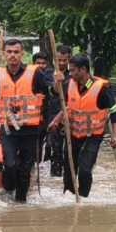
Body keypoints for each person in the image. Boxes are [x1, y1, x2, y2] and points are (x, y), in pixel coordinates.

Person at [0, 39, 56, 203]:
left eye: (16, 52)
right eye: (9, 52)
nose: (13, 55)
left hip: (31, 130)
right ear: (4, 54)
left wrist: (44, 127)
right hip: (9, 129)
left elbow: (45, 101)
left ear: (22, 54)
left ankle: (20, 203)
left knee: (25, 169)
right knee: (10, 165)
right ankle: (9, 187)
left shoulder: (36, 74)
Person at [48, 53, 116, 198]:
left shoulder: (102, 88)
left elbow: (115, 113)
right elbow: (61, 99)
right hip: (73, 134)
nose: (71, 72)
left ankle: (83, 199)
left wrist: (115, 137)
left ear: (83, 70)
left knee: (85, 170)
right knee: (69, 171)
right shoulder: (69, 83)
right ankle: (68, 199)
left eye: (73, 70)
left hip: (93, 136)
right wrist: (56, 120)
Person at [47, 43, 72, 177]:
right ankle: (55, 177)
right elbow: (53, 91)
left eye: (64, 60)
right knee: (53, 148)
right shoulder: (47, 73)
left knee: (70, 150)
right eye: (59, 60)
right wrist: (58, 81)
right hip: (52, 117)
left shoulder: (74, 74)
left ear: (69, 60)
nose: (61, 63)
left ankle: (69, 176)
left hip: (71, 117)